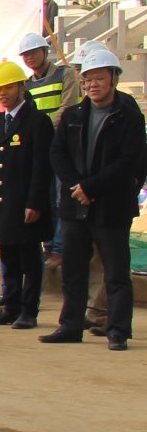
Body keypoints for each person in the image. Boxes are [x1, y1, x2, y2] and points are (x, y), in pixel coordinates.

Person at [43, 43, 142, 349]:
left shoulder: (128, 115)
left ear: (114, 78)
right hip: (76, 205)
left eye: (99, 78)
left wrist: (92, 187)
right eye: (87, 79)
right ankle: (70, 326)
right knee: (73, 271)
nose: (92, 84)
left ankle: (117, 330)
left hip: (111, 206)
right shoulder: (74, 114)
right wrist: (77, 186)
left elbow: (130, 161)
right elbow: (57, 153)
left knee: (116, 272)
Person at [0, 60, 53, 331]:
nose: (3, 93)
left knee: (29, 260)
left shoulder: (37, 121)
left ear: (22, 87)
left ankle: (29, 310)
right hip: (3, 202)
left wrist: (35, 202)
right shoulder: (0, 122)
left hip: (25, 202)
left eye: (8, 87)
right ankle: (10, 307)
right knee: (8, 257)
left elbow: (42, 167)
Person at [17, 30, 83, 268]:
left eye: (34, 52)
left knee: (59, 197)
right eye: (25, 54)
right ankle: (48, 245)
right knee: (43, 197)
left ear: (45, 52)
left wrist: (43, 131)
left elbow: (68, 106)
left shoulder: (65, 74)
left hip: (62, 145)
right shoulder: (26, 85)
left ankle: (59, 248)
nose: (30, 57)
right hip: (40, 148)